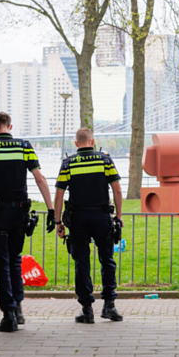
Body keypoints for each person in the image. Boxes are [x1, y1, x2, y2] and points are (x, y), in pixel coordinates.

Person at [0, 112, 56, 332]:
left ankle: (9, 314)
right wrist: (51, 210)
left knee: (1, 263)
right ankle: (19, 309)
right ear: (10, 126)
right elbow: (39, 178)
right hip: (20, 213)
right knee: (15, 260)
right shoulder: (24, 146)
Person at [54, 128, 123, 324]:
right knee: (107, 260)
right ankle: (109, 305)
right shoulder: (105, 160)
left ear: (76, 143)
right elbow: (117, 189)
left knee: (82, 263)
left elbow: (59, 194)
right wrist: (118, 216)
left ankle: (87, 309)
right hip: (102, 216)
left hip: (78, 219)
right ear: (92, 141)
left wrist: (58, 221)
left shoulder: (68, 163)